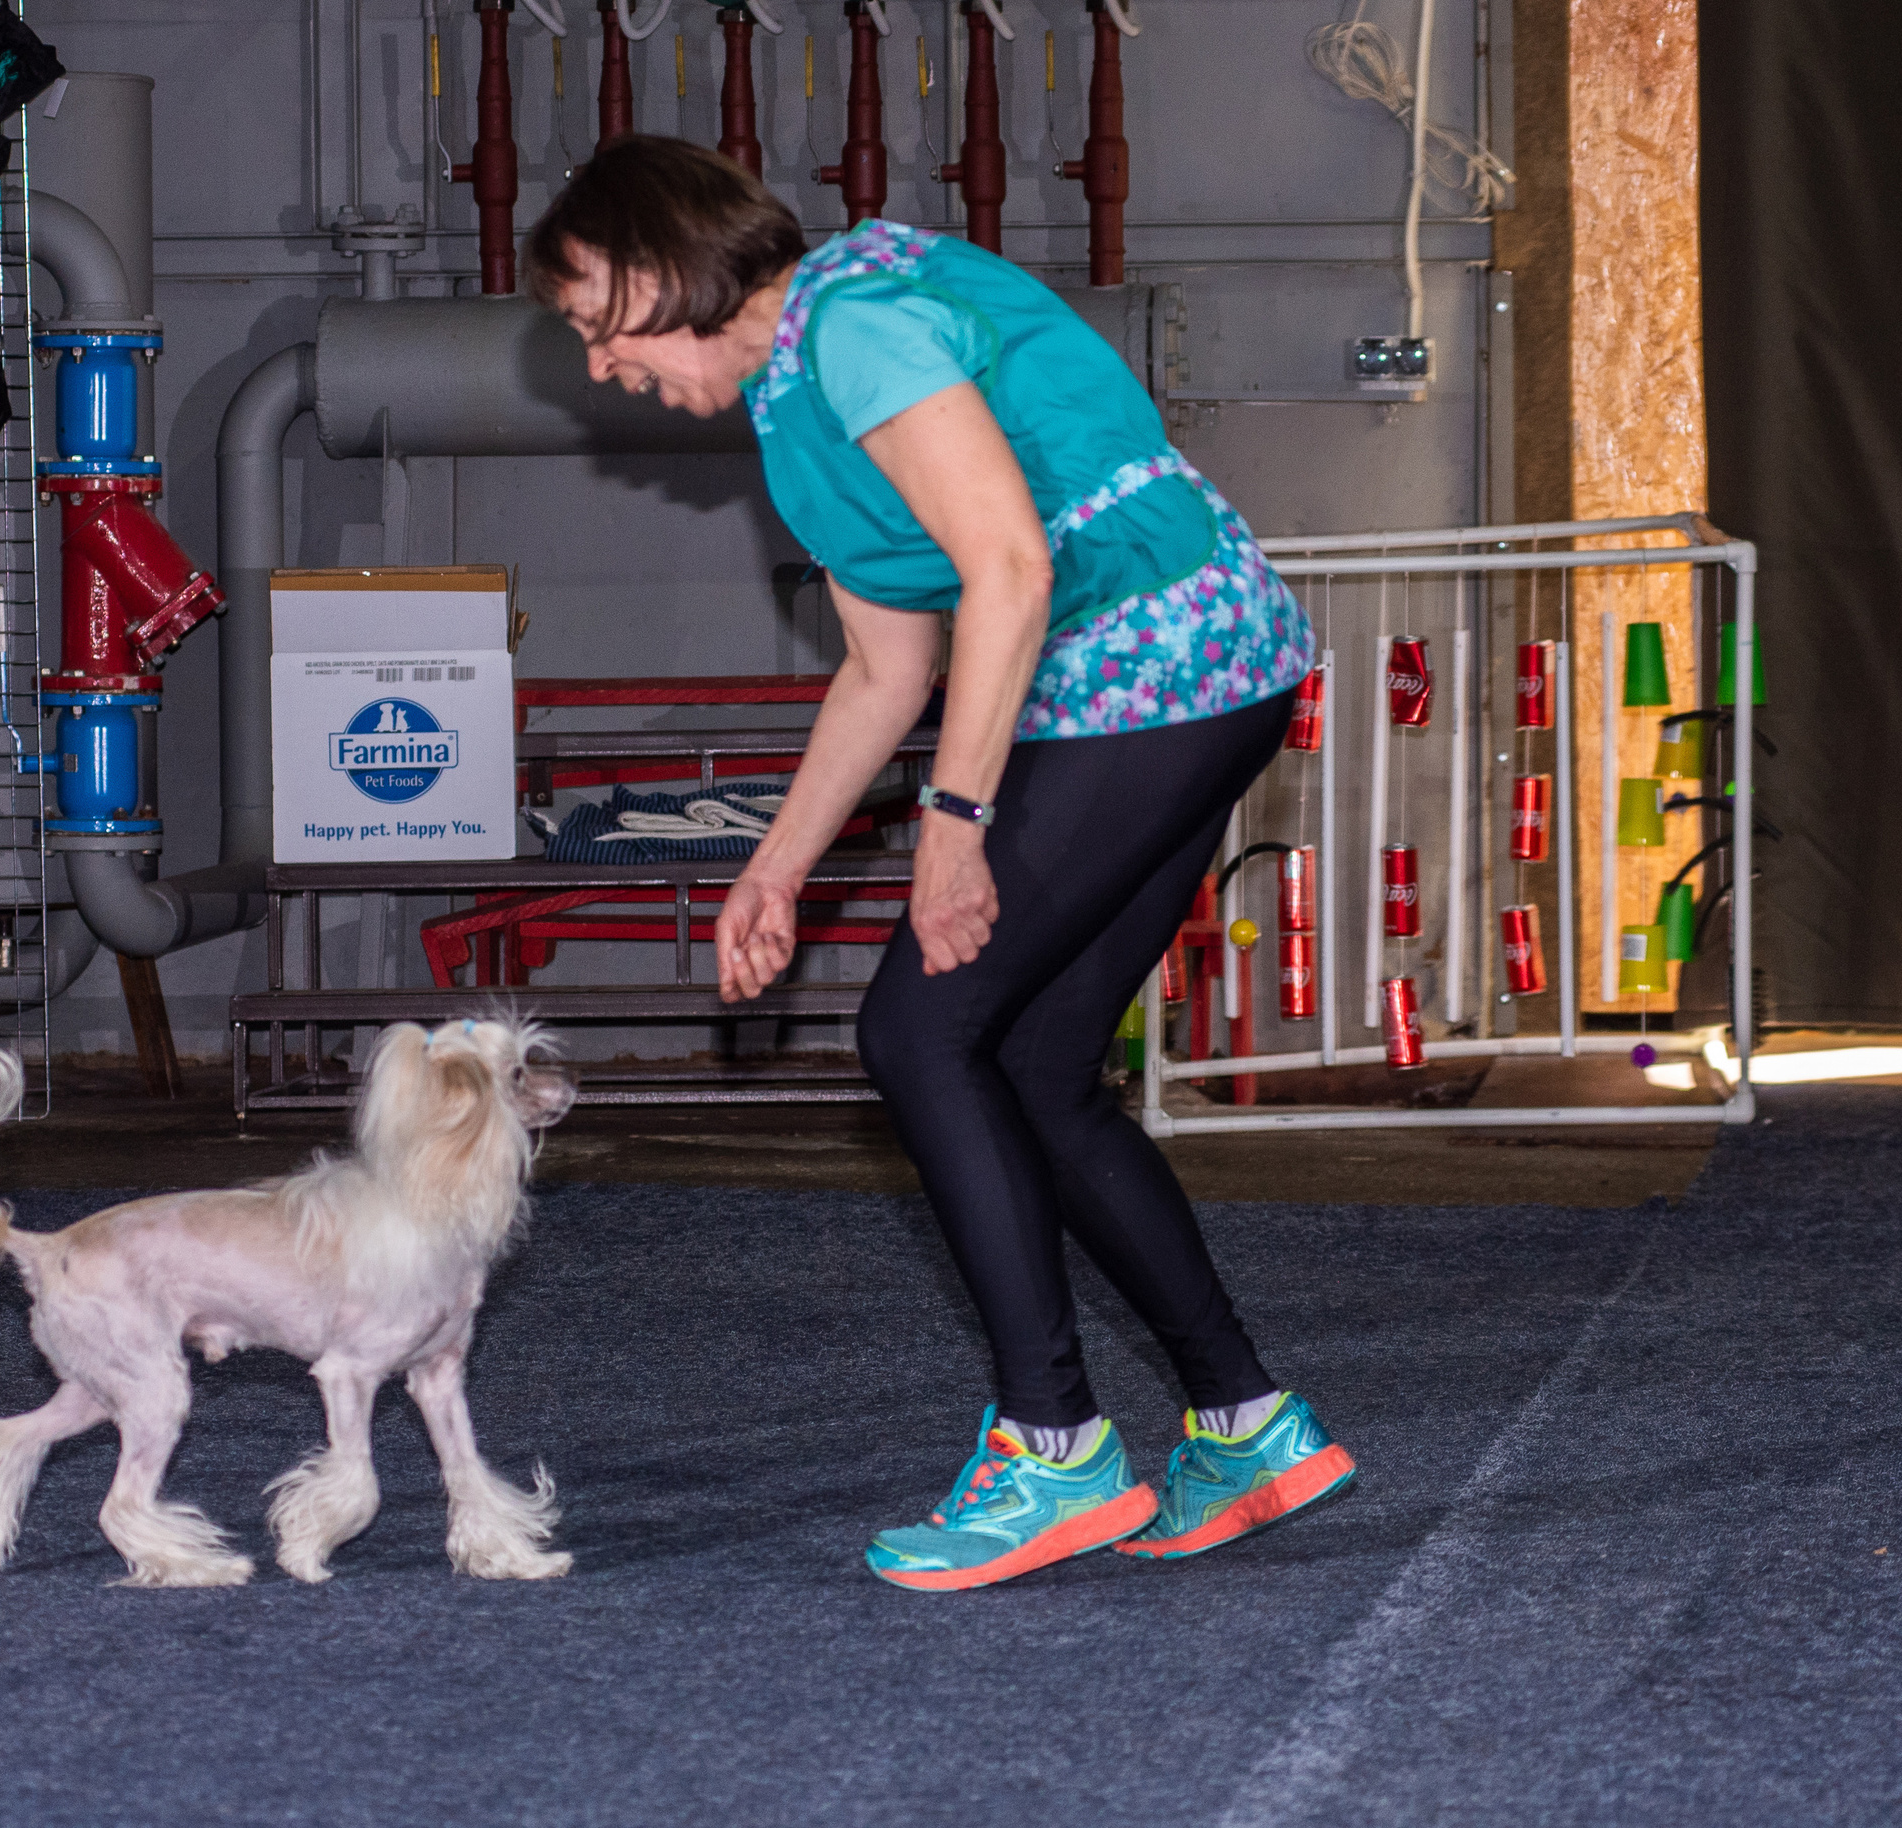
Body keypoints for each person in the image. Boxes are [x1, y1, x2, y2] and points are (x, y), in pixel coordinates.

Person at [525, 137, 1354, 1592]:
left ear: (663, 275)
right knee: (1030, 1063)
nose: (601, 368)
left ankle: (1053, 1452)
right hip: (1188, 676)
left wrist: (953, 828)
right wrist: (777, 869)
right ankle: (1245, 1424)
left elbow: (1013, 569)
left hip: (1159, 662)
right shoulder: (800, 406)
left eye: (597, 323)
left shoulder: (858, 320)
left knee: (920, 1027)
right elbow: (880, 670)